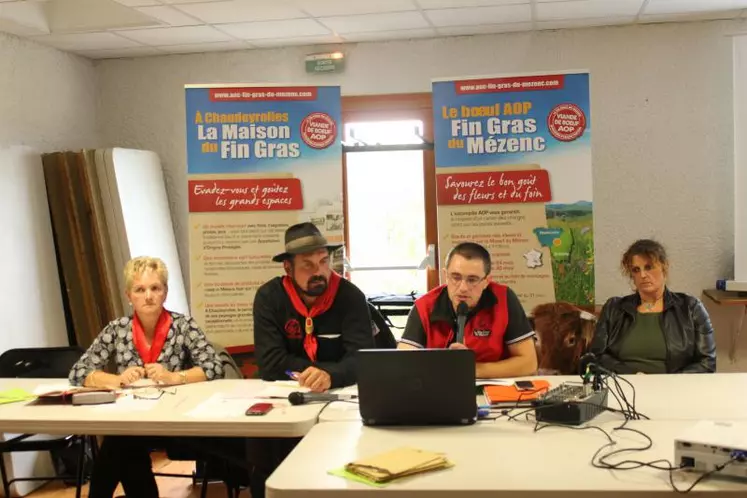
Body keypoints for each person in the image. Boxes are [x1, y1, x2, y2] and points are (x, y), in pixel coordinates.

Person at [69, 256, 224, 498]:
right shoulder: (117, 329)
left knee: (119, 443)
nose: (148, 296)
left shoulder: (183, 326)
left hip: (175, 419)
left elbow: (214, 367)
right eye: (140, 290)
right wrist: (117, 380)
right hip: (132, 419)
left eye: (155, 288)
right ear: (128, 295)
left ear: (165, 292)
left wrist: (174, 377)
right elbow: (79, 372)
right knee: (124, 442)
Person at [250, 222, 374, 497]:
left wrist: (331, 376)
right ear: (288, 268)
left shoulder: (350, 296)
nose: (318, 272)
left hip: (342, 403)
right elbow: (270, 364)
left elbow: (364, 358)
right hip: (287, 400)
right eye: (307, 265)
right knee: (263, 458)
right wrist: (323, 371)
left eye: (323, 261)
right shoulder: (269, 298)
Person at [398, 242, 537, 378]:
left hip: (493, 390)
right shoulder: (424, 306)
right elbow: (402, 362)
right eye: (456, 277)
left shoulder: (504, 299)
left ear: (486, 281)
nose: (463, 287)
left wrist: (471, 368)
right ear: (445, 275)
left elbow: (529, 363)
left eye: (472, 280)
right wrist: (445, 366)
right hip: (438, 387)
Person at [590, 239, 716, 374]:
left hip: (674, 389)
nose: (643, 275)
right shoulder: (613, 308)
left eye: (648, 267)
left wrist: (668, 382)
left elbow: (707, 363)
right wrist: (632, 375)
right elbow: (596, 357)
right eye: (636, 270)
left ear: (664, 266)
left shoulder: (691, 308)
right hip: (624, 386)